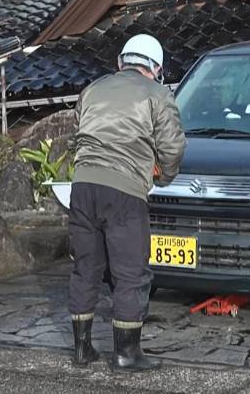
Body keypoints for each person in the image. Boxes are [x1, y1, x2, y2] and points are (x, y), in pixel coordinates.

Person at [68, 34, 185, 370]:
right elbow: (173, 148)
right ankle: (126, 354)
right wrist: (162, 177)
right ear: (157, 68)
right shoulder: (158, 94)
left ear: (121, 62)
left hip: (83, 187)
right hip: (124, 192)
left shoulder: (93, 89)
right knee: (131, 273)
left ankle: (82, 349)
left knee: (85, 268)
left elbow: (79, 132)